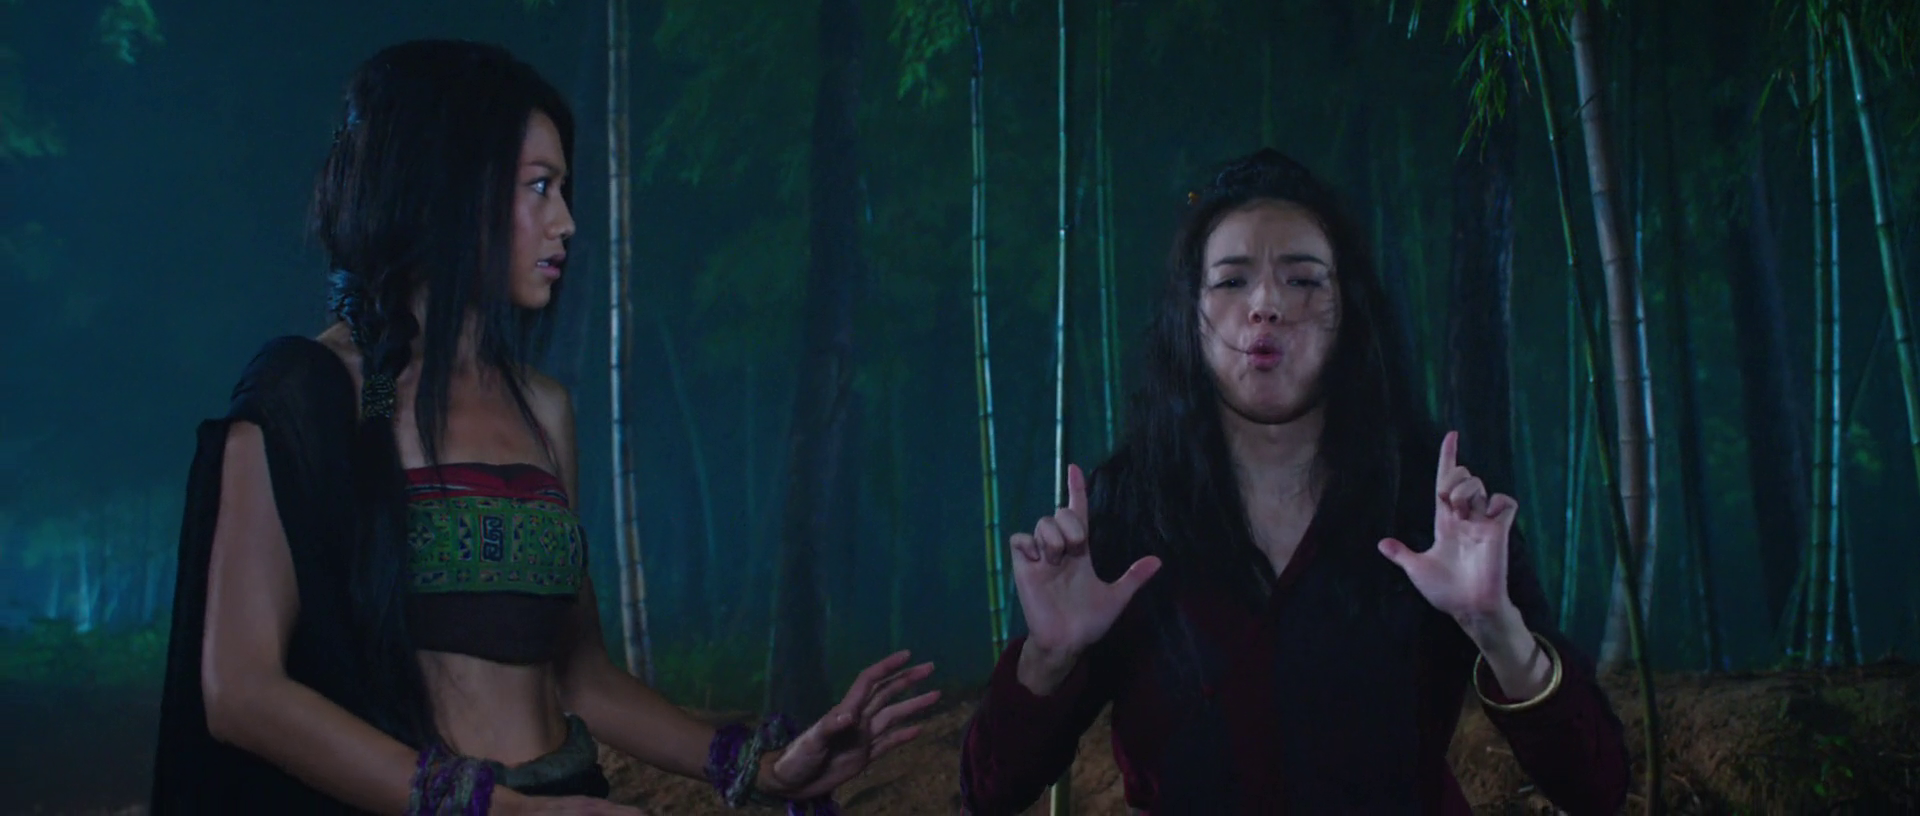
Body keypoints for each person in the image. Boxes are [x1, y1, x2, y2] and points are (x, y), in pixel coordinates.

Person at [149, 40, 938, 815]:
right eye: (538, 187)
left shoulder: (544, 409)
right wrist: (493, 809)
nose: (565, 222)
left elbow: (580, 676)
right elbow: (241, 691)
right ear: (445, 189)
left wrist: (763, 769)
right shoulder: (317, 398)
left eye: (562, 188)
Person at [957, 148, 1630, 815]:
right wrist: (1048, 657)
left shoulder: (1435, 505)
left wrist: (1497, 628)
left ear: (1349, 311)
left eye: (1303, 280)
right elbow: (988, 792)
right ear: (1189, 314)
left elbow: (1597, 786)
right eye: (1231, 281)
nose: (1266, 305)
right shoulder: (1129, 509)